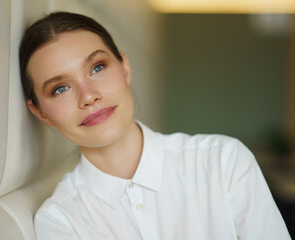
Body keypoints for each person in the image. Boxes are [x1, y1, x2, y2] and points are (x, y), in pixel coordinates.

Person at [19, 11, 290, 240]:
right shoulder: (60, 221)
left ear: (124, 67)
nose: (88, 96)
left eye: (98, 68)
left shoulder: (223, 161)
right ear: (40, 112)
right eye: (60, 88)